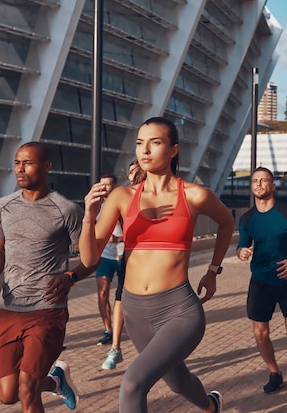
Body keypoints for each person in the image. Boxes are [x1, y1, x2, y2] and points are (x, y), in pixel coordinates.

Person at [80, 117, 235, 413]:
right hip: (134, 310)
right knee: (177, 380)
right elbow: (89, 258)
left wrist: (213, 271)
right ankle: (211, 405)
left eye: (155, 142)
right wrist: (89, 215)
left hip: (179, 310)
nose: (145, 150)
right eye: (140, 143)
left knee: (132, 383)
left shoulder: (194, 194)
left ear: (174, 150)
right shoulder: (122, 196)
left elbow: (227, 223)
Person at [0, 142, 95, 412]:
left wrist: (71, 277)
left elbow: (91, 259)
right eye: (17, 162)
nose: (20, 168)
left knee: (28, 389)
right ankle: (56, 381)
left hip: (48, 310)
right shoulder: (3, 206)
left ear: (47, 166)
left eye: (27, 162)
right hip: (11, 310)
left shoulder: (67, 210)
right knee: (8, 394)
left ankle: (46, 381)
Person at [236, 166, 287, 394]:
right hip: (260, 280)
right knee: (260, 331)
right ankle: (274, 372)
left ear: (272, 186)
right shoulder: (247, 218)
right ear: (252, 187)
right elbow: (242, 243)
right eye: (255, 181)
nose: (259, 184)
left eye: (264, 180)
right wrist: (241, 252)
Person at [101, 160, 144, 371]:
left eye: (136, 171)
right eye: (130, 172)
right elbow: (108, 233)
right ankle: (115, 348)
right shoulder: (124, 195)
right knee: (119, 298)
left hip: (159, 261)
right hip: (129, 257)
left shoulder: (160, 195)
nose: (132, 175)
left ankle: (154, 350)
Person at [95, 174, 123, 347]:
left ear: (115, 186)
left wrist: (117, 239)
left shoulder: (122, 203)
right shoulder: (97, 206)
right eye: (101, 184)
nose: (104, 187)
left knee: (124, 296)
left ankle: (124, 326)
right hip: (104, 256)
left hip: (122, 255)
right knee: (102, 292)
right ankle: (108, 330)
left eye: (107, 185)